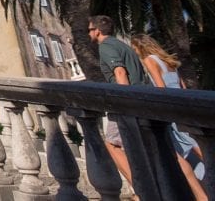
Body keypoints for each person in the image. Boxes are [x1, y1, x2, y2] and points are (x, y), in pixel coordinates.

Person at [130, 33, 207, 201]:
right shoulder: (167, 61)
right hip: (184, 107)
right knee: (195, 146)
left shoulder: (150, 60)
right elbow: (183, 87)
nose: (135, 52)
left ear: (140, 47)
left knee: (189, 149)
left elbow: (161, 88)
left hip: (171, 112)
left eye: (135, 48)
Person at [89, 15, 149, 188]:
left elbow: (120, 73)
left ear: (97, 31)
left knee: (112, 144)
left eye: (88, 30)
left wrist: (124, 103)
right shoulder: (121, 45)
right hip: (142, 98)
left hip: (127, 102)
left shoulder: (106, 47)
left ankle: (140, 189)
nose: (87, 34)